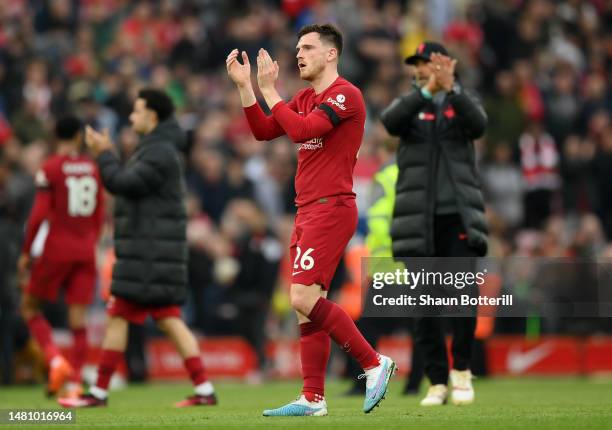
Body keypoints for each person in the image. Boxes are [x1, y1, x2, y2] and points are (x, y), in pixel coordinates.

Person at [226, 23, 396, 417]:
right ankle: (313, 398)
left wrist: (270, 90)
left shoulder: (346, 95)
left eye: (307, 47)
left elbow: (303, 129)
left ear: (331, 53)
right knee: (308, 306)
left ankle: (373, 363)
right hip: (307, 210)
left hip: (332, 207)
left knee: (301, 298)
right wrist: (245, 86)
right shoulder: (304, 97)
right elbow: (263, 131)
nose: (298, 54)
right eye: (297, 47)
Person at [58, 89, 217, 408]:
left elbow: (123, 183)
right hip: (151, 252)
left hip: (149, 254)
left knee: (128, 314)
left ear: (152, 116)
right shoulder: (159, 149)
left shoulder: (159, 152)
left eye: (137, 111)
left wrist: (104, 153)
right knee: (160, 317)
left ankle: (100, 393)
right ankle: (203, 389)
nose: (131, 117)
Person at [380, 41, 488, 406]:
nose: (422, 69)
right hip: (418, 222)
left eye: (429, 63)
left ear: (446, 66)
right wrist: (428, 92)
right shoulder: (411, 105)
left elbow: (479, 125)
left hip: (457, 217)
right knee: (424, 308)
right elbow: (390, 122)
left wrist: (453, 89)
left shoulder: (462, 101)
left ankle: (462, 372)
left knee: (462, 299)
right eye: (418, 65)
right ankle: (437, 381)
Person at [19, 115, 104, 398]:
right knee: (77, 318)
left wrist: (27, 251)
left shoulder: (51, 168)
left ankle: (56, 361)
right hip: (85, 250)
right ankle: (77, 381)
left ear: (55, 136)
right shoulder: (93, 168)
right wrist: (91, 240)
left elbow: (38, 216)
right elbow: (100, 214)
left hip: (56, 249)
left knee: (30, 307)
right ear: (80, 137)